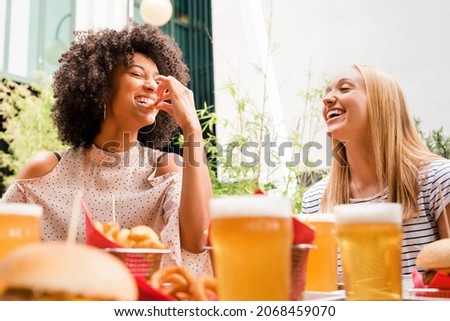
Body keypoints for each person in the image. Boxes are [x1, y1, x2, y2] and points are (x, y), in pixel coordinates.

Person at [1, 20, 213, 276]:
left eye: (157, 80)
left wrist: (192, 129)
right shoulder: (45, 172)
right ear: (101, 86)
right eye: (136, 74)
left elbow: (197, 240)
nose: (151, 85)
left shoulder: (165, 169)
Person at [302, 64, 450, 275]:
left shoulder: (439, 180)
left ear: (381, 103)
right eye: (327, 93)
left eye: (344, 89)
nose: (327, 100)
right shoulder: (316, 200)